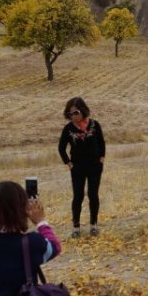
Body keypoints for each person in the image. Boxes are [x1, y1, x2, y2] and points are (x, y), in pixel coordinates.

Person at [58, 97, 106, 238]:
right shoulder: (68, 129)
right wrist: (69, 164)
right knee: (78, 196)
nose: (73, 116)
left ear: (83, 111)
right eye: (70, 114)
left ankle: (93, 225)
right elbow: (61, 148)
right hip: (77, 168)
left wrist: (101, 159)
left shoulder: (94, 125)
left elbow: (102, 143)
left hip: (94, 167)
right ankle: (76, 227)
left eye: (76, 112)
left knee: (93, 194)